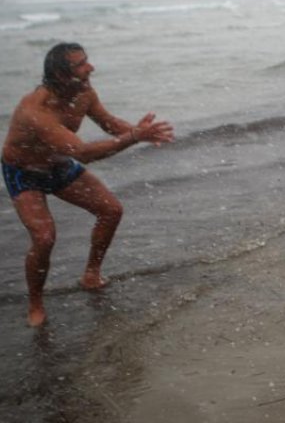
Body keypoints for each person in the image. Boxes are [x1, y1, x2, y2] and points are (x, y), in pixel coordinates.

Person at [2, 43, 174, 326]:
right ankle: (35, 303)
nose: (90, 68)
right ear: (60, 73)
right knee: (44, 237)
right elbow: (82, 153)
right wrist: (132, 138)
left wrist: (139, 131)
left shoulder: (84, 93)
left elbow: (108, 123)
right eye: (81, 65)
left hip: (58, 164)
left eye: (87, 61)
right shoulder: (36, 110)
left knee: (111, 210)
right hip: (24, 172)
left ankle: (91, 273)